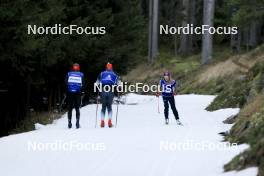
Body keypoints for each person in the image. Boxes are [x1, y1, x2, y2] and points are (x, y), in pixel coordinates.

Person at [95, 62, 119, 128]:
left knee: (103, 107)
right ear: (111, 67)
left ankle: (102, 121)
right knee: (109, 106)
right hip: (111, 91)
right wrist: (117, 92)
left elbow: (97, 83)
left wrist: (98, 90)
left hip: (103, 91)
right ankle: (109, 121)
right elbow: (118, 84)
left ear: (106, 67)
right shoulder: (115, 74)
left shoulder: (102, 73)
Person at [65, 63, 84, 129]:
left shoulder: (69, 74)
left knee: (70, 109)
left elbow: (66, 83)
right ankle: (77, 123)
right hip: (77, 93)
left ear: (73, 67)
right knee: (77, 109)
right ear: (78, 68)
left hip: (70, 93)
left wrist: (66, 91)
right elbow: (83, 84)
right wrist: (82, 92)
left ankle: (69, 123)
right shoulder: (81, 74)